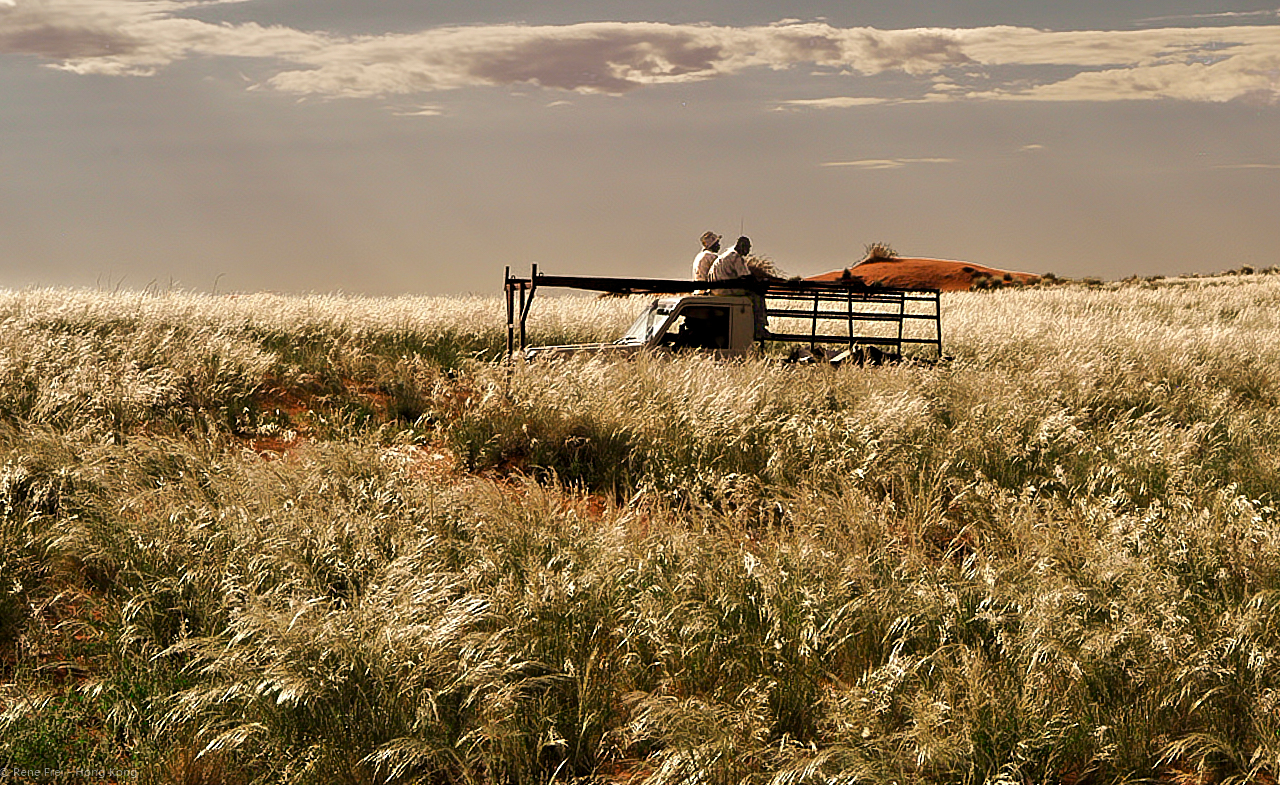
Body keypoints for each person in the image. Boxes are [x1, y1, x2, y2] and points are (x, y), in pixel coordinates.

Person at [709, 236, 768, 340]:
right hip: (726, 290)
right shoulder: (736, 257)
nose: (748, 250)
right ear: (741, 246)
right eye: (747, 247)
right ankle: (759, 327)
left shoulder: (726, 255)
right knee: (756, 296)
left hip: (717, 289)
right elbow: (746, 277)